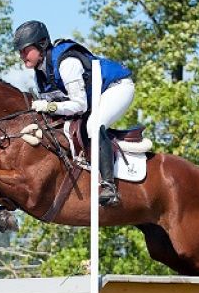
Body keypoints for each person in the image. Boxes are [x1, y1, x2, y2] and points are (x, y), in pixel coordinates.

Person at [14, 20, 135, 206]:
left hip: (116, 87)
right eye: (20, 51)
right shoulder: (41, 73)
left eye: (25, 50)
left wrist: (48, 107)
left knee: (94, 126)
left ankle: (109, 186)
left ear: (42, 44)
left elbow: (79, 105)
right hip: (93, 98)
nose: (22, 55)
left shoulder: (66, 63)